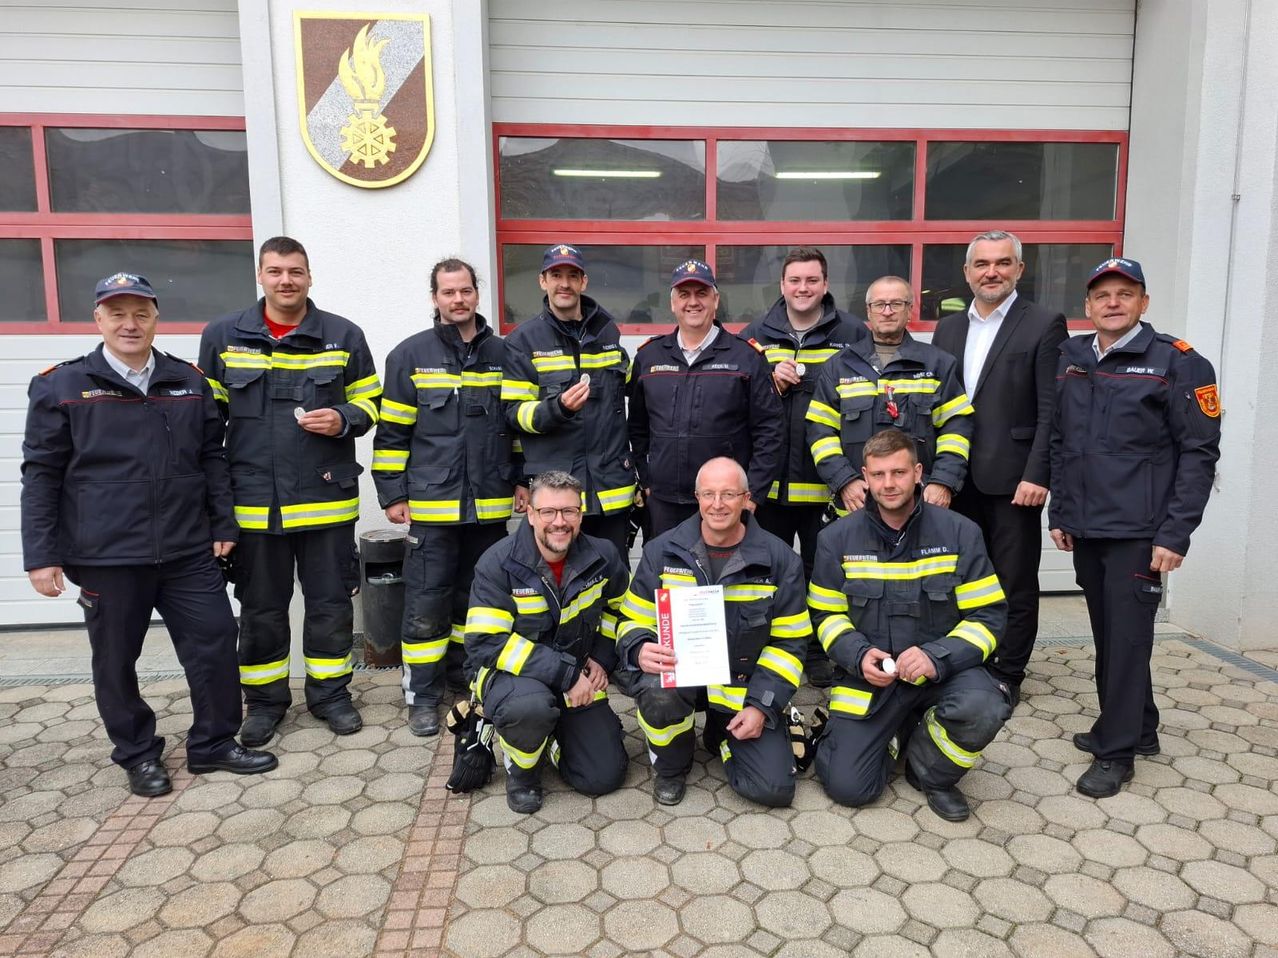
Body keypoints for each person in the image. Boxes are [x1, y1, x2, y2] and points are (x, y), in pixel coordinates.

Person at [21, 272, 277, 797]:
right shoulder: (61, 385)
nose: (130, 324)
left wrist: (222, 523)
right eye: (117, 313)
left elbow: (212, 457)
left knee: (212, 644)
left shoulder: (188, 381)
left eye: (141, 313)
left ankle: (213, 744)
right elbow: (41, 473)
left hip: (187, 549)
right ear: (98, 319)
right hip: (107, 555)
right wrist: (41, 555)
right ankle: (138, 754)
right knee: (116, 660)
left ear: (157, 318)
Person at [199, 237, 382, 745]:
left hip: (325, 501)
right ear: (260, 275)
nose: (286, 280)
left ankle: (330, 695)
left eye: (295, 271)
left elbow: (372, 405)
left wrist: (343, 418)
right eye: (276, 271)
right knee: (261, 609)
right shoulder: (222, 336)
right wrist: (215, 510)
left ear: (309, 276)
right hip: (256, 506)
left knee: (330, 605)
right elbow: (206, 429)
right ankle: (264, 702)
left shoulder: (343, 335)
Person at [1049, 257, 1221, 798]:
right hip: (1088, 527)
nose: (1113, 302)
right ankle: (1139, 727)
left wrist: (1175, 534)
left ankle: (1116, 752)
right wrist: (1061, 514)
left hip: (1139, 532)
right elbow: (1063, 442)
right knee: (1111, 635)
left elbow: (1199, 453)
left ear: (1143, 302)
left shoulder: (1179, 363)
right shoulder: (1074, 357)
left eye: (1126, 293)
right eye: (1103, 295)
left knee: (1125, 642)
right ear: (1088, 306)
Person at [807, 429, 1011, 822]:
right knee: (849, 788)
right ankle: (895, 733)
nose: (888, 484)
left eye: (898, 473)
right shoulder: (836, 539)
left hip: (941, 674)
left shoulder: (959, 533)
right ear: (864, 477)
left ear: (918, 473)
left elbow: (988, 617)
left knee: (986, 705)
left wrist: (937, 657)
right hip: (870, 677)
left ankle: (931, 772)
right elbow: (825, 616)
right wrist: (859, 654)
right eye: (879, 474)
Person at [616, 457, 811, 808]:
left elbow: (790, 642)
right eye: (709, 494)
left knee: (773, 790)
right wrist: (639, 647)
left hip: (743, 685)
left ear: (746, 498)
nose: (717, 504)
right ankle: (672, 766)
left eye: (728, 494)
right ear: (697, 497)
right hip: (680, 678)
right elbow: (632, 617)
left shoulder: (780, 560)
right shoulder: (662, 551)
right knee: (658, 695)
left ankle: (721, 735)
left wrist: (761, 707)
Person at [373, 258, 514, 736]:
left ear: (477, 294)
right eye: (448, 292)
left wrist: (520, 481)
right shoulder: (409, 356)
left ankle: (468, 679)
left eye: (465, 291)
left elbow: (515, 429)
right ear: (434, 298)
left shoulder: (503, 353)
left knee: (479, 602)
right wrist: (392, 493)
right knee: (426, 603)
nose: (458, 300)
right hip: (432, 509)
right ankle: (422, 696)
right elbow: (392, 433)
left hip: (490, 507)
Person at [931, 230, 1067, 705]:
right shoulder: (949, 327)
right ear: (967, 272)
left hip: (1014, 480)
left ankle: (1007, 671)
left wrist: (1039, 474)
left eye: (1003, 263)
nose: (992, 272)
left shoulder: (1044, 323)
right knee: (960, 577)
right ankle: (966, 661)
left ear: (1019, 270)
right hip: (955, 477)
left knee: (1013, 580)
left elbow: (1053, 409)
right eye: (982, 264)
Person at [463, 470, 631, 814]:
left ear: (581, 513)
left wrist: (601, 657)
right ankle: (522, 772)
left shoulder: (603, 555)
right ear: (530, 514)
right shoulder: (498, 563)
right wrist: (567, 675)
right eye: (548, 512)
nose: (560, 522)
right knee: (529, 709)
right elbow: (486, 642)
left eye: (569, 511)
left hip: (578, 675)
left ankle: (551, 740)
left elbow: (622, 611)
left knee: (603, 778)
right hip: (515, 678)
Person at [738, 248, 868, 686]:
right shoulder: (754, 335)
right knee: (767, 574)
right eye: (795, 280)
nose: (803, 288)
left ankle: (817, 654)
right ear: (782, 286)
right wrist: (768, 381)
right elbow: (735, 404)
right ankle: (768, 650)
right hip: (769, 488)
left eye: (812, 280)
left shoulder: (854, 334)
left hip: (828, 486)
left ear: (825, 285)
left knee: (824, 576)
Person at [629, 260, 783, 536]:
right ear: (673, 303)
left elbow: (770, 431)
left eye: (701, 293)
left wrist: (754, 494)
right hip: (664, 503)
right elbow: (637, 428)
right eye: (684, 295)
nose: (693, 302)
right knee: (666, 576)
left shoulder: (746, 358)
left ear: (715, 300)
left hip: (723, 504)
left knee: (723, 576)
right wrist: (647, 480)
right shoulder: (648, 357)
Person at [501, 245, 635, 560]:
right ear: (542, 281)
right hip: (557, 499)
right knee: (555, 581)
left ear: (583, 282)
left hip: (610, 493)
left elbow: (634, 392)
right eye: (556, 275)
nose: (564, 283)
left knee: (612, 580)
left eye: (572, 276)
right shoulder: (523, 341)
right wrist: (557, 408)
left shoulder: (608, 333)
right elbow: (513, 413)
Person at [806, 274, 973, 513]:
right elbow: (820, 431)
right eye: (879, 304)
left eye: (896, 304)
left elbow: (956, 431)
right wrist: (844, 480)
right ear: (869, 311)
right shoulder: (839, 366)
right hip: (858, 504)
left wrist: (942, 482)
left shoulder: (937, 365)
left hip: (921, 505)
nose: (887, 311)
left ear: (909, 310)